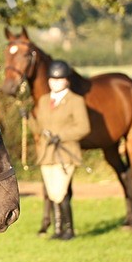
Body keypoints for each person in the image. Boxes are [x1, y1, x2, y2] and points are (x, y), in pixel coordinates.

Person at [35, 59, 90, 241]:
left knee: (61, 191)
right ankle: (58, 230)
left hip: (66, 152)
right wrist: (28, 118)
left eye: (59, 79)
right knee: (52, 193)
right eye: (52, 79)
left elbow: (83, 127)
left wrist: (61, 135)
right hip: (46, 155)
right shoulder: (43, 101)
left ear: (66, 80)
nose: (55, 82)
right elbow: (39, 129)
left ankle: (69, 229)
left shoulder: (76, 101)